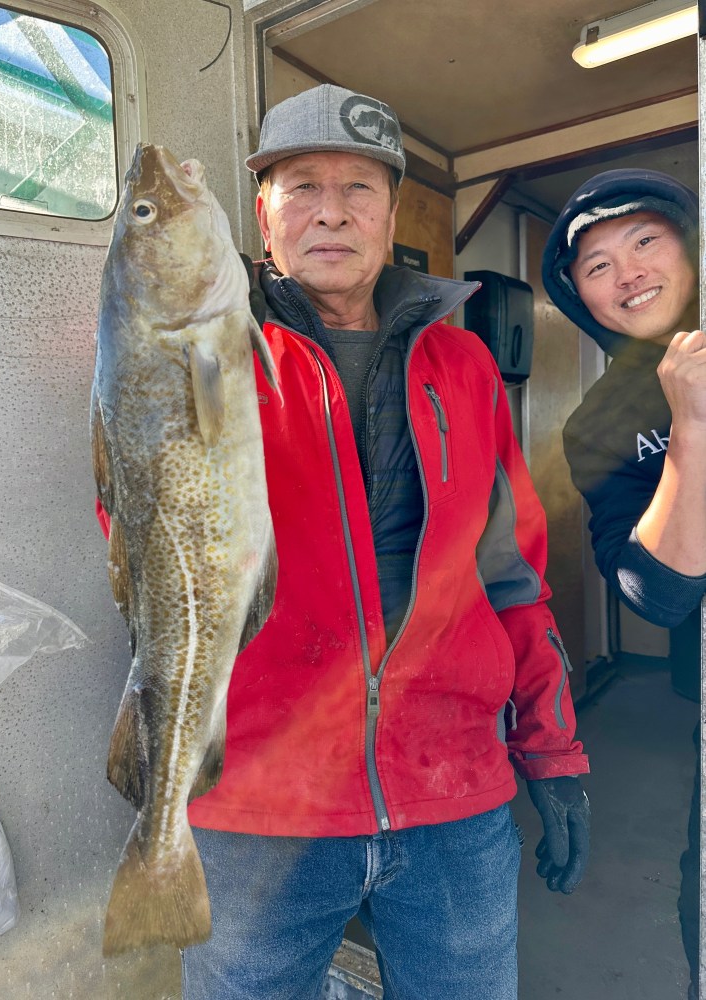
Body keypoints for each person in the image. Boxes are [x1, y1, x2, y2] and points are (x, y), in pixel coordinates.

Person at [123, 83, 591, 1000]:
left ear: (389, 216)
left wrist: (552, 750)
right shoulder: (208, 355)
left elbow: (511, 580)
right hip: (260, 803)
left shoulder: (463, 365)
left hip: (453, 791)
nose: (330, 210)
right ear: (260, 214)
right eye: (300, 185)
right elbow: (146, 530)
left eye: (359, 188)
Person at [542, 167, 703, 999]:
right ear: (578, 298)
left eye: (644, 240)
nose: (628, 272)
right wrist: (691, 431)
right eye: (597, 266)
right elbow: (656, 596)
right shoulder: (599, 422)